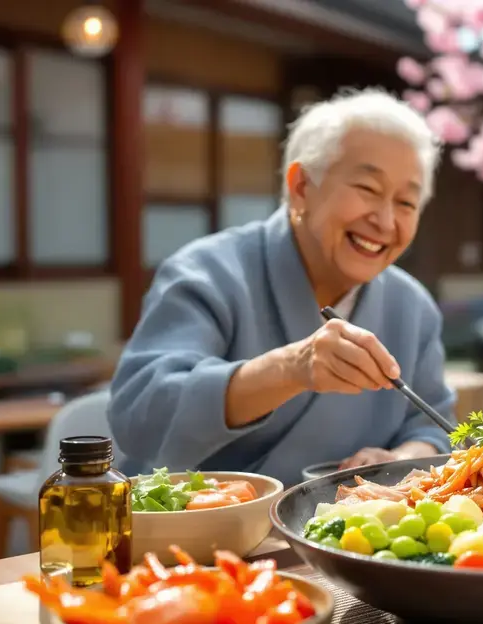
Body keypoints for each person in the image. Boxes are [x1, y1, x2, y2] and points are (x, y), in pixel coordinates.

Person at [108, 89, 455, 486]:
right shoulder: (208, 273)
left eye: (406, 204)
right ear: (301, 187)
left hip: (342, 540)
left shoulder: (411, 306)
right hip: (193, 532)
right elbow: (140, 416)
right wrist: (290, 368)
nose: (385, 220)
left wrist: (397, 460)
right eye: (368, 189)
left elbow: (434, 430)